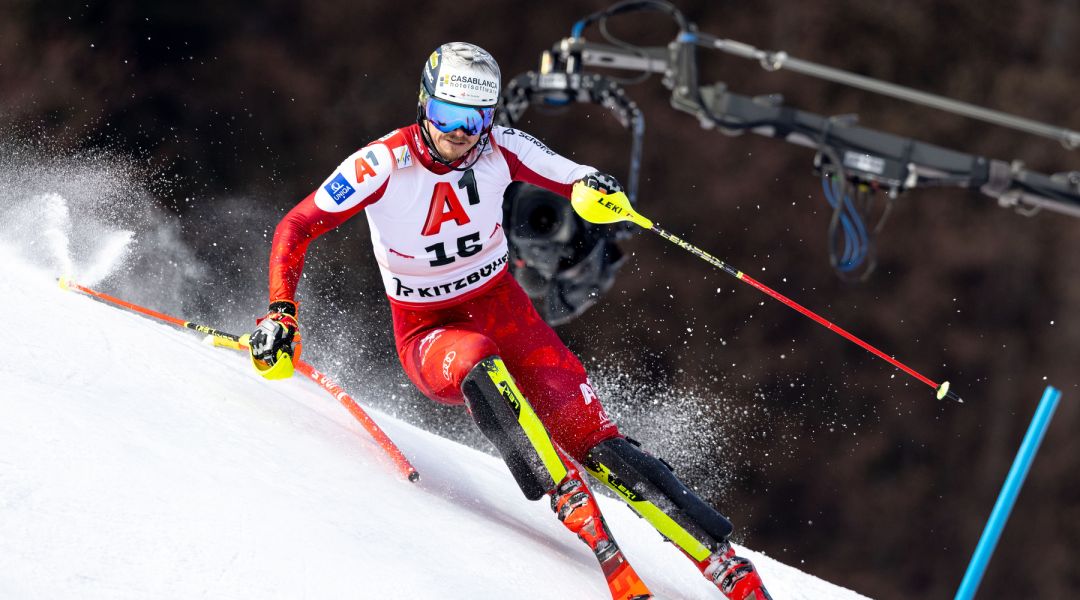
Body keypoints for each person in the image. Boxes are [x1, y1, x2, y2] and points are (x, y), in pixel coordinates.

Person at [248, 42, 769, 600]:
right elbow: (296, 226)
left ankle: (725, 566)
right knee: (478, 363)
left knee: (593, 434)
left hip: (504, 311)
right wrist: (281, 311)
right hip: (429, 332)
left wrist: (599, 192)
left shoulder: (501, 147)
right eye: (446, 116)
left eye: (473, 120)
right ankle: (583, 520)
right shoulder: (383, 163)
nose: (458, 133)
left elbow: (574, 176)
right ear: (425, 105)